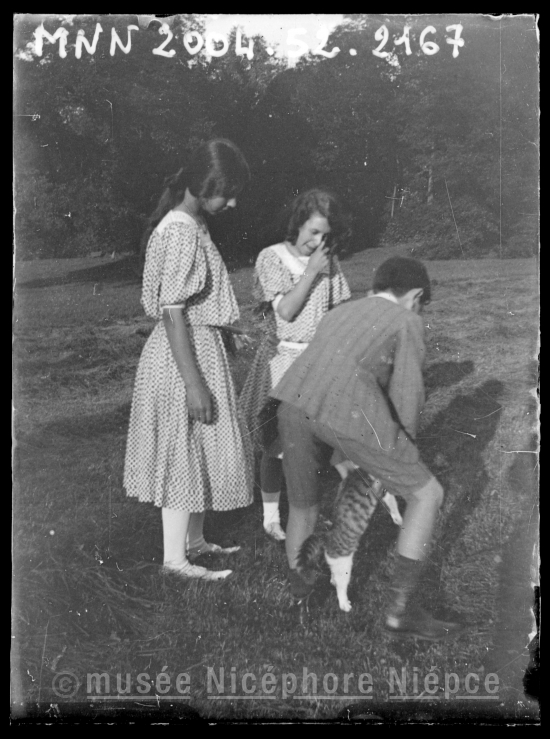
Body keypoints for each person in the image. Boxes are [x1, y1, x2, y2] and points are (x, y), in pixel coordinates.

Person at [271, 257, 464, 640]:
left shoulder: (340, 312)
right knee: (428, 495)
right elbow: (407, 395)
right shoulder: (407, 320)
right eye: (421, 305)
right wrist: (403, 455)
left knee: (304, 505)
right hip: (346, 413)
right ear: (416, 296)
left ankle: (301, 600)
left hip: (292, 404)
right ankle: (401, 614)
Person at [124, 139, 254, 581]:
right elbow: (173, 311)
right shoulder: (180, 230)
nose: (233, 203)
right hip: (182, 356)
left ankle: (194, 541)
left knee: (201, 444)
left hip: (199, 346)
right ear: (205, 184)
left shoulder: (193, 223)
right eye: (228, 193)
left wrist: (226, 333)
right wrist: (194, 382)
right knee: (182, 449)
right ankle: (174, 561)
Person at [240, 190, 351, 541]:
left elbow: (339, 310)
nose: (318, 242)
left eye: (325, 236)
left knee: (316, 443)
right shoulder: (271, 257)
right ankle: (271, 517)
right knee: (276, 446)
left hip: (318, 360)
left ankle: (310, 510)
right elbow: (286, 312)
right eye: (313, 231)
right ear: (298, 223)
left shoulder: (329, 262)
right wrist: (311, 272)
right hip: (283, 362)